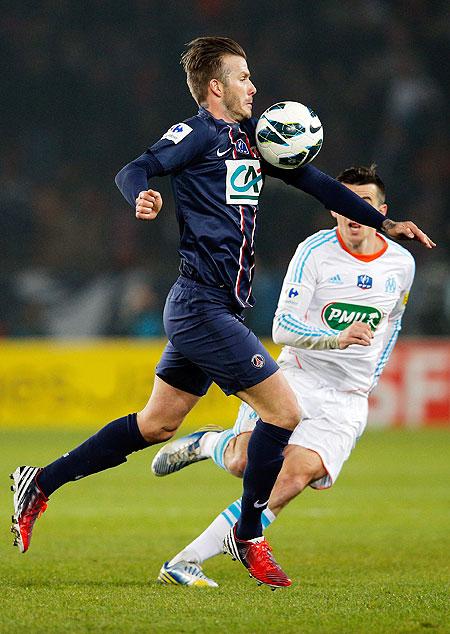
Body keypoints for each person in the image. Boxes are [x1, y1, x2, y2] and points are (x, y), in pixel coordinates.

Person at [10, 37, 433, 589]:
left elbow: (318, 183)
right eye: (244, 77)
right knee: (284, 412)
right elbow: (133, 169)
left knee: (157, 423)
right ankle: (251, 534)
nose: (253, 86)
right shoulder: (198, 134)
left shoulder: (252, 142)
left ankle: (39, 481)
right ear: (217, 87)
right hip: (201, 305)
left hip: (216, 306)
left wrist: (383, 223)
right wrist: (140, 196)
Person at [151, 164, 415, 587]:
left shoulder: (401, 263)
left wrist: (369, 379)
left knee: (294, 476)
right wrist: (336, 337)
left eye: (366, 203)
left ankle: (185, 561)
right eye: (348, 202)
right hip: (297, 377)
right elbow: (283, 329)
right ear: (335, 209)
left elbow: (394, 322)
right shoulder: (314, 252)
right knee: (242, 462)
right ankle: (209, 443)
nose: (355, 212)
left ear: (381, 210)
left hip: (346, 397)